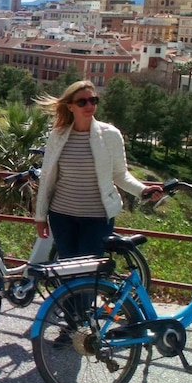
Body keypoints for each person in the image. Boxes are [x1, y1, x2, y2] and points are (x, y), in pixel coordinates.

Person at [34, 80, 162, 258]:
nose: (89, 105)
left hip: (98, 218)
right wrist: (40, 218)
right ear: (70, 106)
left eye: (93, 100)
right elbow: (47, 177)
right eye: (82, 102)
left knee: (88, 274)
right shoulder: (58, 135)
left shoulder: (111, 134)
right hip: (61, 216)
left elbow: (120, 174)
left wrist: (143, 190)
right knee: (68, 272)